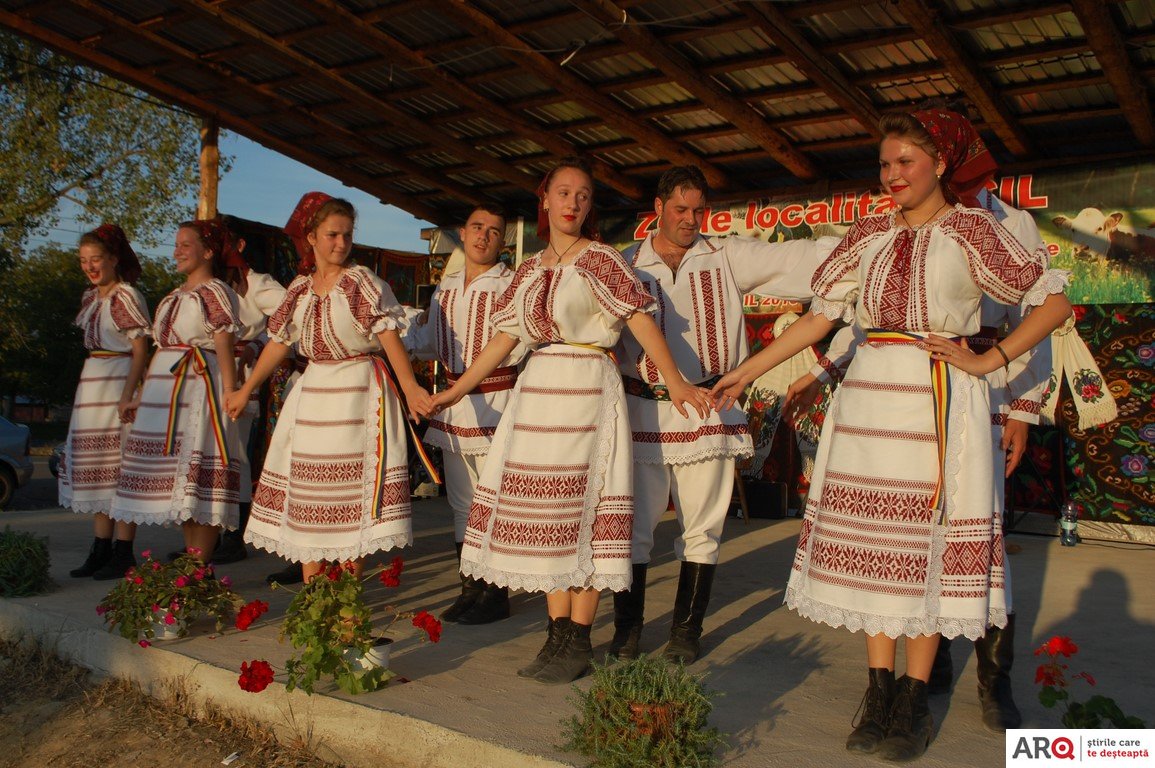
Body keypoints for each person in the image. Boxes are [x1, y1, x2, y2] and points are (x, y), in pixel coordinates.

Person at [711, 109, 1071, 762]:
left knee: (923, 549)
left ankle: (912, 700)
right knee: (873, 552)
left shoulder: (972, 229)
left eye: (905, 161)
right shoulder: (869, 233)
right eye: (884, 163)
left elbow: (1052, 302)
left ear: (940, 163)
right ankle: (877, 692)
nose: (892, 174)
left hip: (935, 402)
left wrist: (990, 361)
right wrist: (745, 372)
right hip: (868, 403)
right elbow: (820, 318)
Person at [428, 156, 712, 685]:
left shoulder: (601, 259)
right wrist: (457, 390)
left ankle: (578, 639)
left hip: (586, 389)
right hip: (538, 395)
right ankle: (556, 635)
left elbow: (638, 321)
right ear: (545, 200)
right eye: (563, 193)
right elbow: (505, 338)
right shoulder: (530, 269)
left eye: (583, 196)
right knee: (548, 520)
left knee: (584, 514)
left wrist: (674, 382)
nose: (573, 203)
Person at [785, 181, 1050, 734]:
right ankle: (925, 674)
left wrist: (1024, 408)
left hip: (978, 387)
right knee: (905, 538)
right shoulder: (893, 228)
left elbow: (1037, 315)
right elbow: (865, 325)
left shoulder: (1008, 223)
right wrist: (820, 373)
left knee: (969, 537)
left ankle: (994, 681)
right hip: (907, 387)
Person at [611, 165, 840, 664]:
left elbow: (803, 257)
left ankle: (685, 632)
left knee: (702, 527)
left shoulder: (726, 255)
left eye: (698, 210)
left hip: (708, 408)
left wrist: (869, 246)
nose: (690, 219)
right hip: (642, 409)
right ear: (658, 208)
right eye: (680, 209)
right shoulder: (626, 262)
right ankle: (627, 632)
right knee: (633, 526)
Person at [224, 193, 431, 582]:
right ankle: (315, 600)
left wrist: (409, 388)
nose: (341, 243)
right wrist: (246, 386)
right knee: (309, 500)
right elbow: (279, 342)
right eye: (333, 235)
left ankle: (346, 604)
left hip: (357, 396)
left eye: (347, 235)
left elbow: (388, 336)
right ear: (312, 237)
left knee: (350, 502)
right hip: (313, 397)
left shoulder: (361, 283)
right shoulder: (300, 289)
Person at [404, 204, 527, 625]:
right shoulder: (446, 286)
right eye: (477, 227)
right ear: (463, 231)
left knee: (493, 500)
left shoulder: (511, 284)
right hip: (455, 407)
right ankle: (469, 588)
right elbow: (428, 343)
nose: (483, 236)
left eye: (493, 230)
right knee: (462, 502)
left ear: (503, 240)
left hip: (497, 401)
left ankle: (495, 593)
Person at [109, 219, 244, 564]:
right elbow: (161, 351)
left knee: (198, 481)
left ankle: (199, 568)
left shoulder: (215, 292)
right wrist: (143, 396)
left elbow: (223, 343)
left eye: (186, 245)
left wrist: (230, 391)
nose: (177, 252)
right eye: (177, 245)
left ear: (208, 251)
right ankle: (194, 568)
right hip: (166, 394)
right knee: (180, 487)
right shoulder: (173, 297)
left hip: (198, 387)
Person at [61, 225, 151, 580]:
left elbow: (140, 349)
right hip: (93, 385)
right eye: (84, 260)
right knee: (99, 470)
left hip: (117, 381)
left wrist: (129, 395)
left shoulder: (125, 296)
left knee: (120, 469)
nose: (90, 266)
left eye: (96, 259)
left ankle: (123, 551)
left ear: (113, 259)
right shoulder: (91, 298)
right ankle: (100, 548)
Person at [210, 220, 288, 565]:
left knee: (235, 455)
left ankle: (233, 536)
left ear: (239, 246)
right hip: (206, 375)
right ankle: (205, 535)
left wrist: (257, 344)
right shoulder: (212, 285)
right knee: (210, 454)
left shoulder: (257, 283)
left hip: (239, 376)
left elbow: (292, 316)